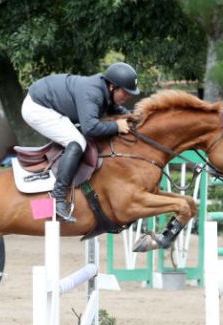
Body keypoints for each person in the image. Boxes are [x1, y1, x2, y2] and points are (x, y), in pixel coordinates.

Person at [21, 62, 140, 222]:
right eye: (126, 92)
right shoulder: (93, 92)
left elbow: (117, 110)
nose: (129, 96)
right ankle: (57, 198)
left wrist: (136, 118)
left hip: (50, 103)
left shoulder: (104, 91)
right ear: (112, 86)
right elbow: (90, 129)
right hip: (37, 107)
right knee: (77, 142)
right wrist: (116, 126)